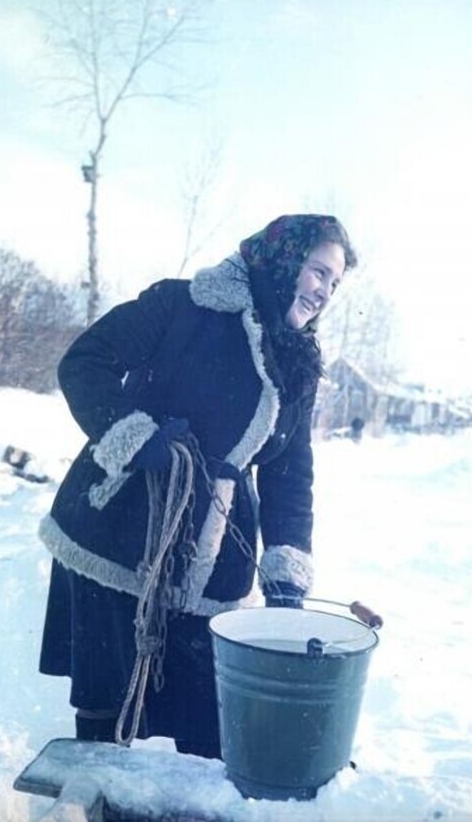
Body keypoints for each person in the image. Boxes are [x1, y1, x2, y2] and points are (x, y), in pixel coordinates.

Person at [38, 214, 357, 759]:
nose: (325, 290)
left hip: (214, 557)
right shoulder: (184, 305)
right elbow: (85, 362)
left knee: (211, 731)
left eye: (335, 281)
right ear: (281, 260)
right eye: (318, 271)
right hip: (118, 532)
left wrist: (285, 568)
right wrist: (134, 435)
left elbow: (289, 470)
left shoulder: (298, 361)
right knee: (108, 718)